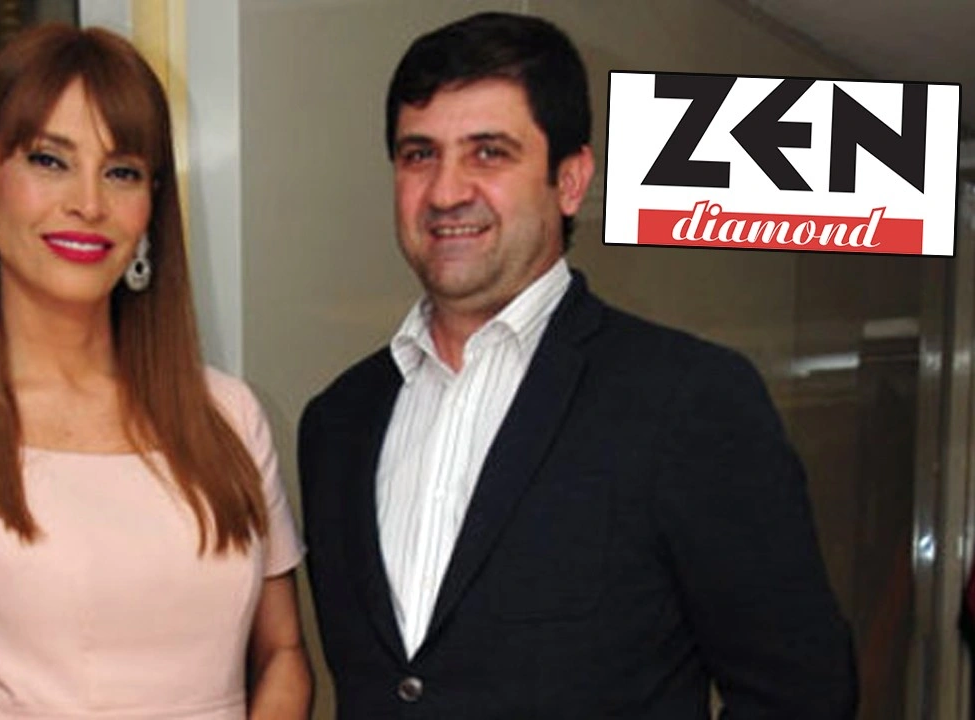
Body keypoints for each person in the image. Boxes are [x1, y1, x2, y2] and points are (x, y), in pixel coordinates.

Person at [299, 11, 857, 718]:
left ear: (570, 181)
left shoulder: (687, 399)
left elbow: (801, 694)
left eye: (488, 153)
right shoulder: (337, 425)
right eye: (419, 155)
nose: (445, 192)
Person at [0, 24, 310, 720]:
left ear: (151, 208)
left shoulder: (230, 413)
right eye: (49, 160)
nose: (89, 203)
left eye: (122, 171)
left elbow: (283, 654)